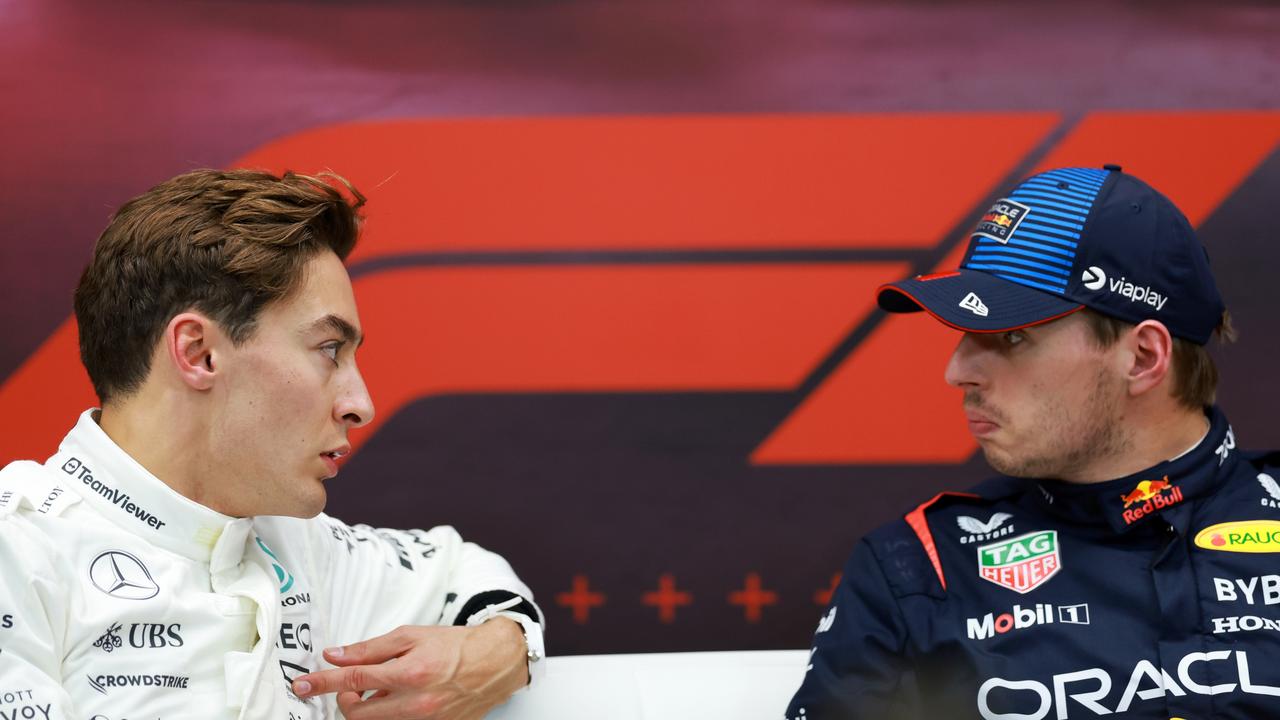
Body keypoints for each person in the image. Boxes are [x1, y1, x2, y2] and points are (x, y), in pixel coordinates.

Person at [0, 169, 544, 719]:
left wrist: (502, 649)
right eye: (330, 349)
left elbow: (462, 570)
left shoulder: (303, 546)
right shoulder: (17, 546)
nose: (361, 404)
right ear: (199, 353)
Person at [786, 165, 1280, 720]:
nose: (958, 372)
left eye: (1011, 336)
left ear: (1142, 357)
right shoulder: (918, 568)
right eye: (965, 337)